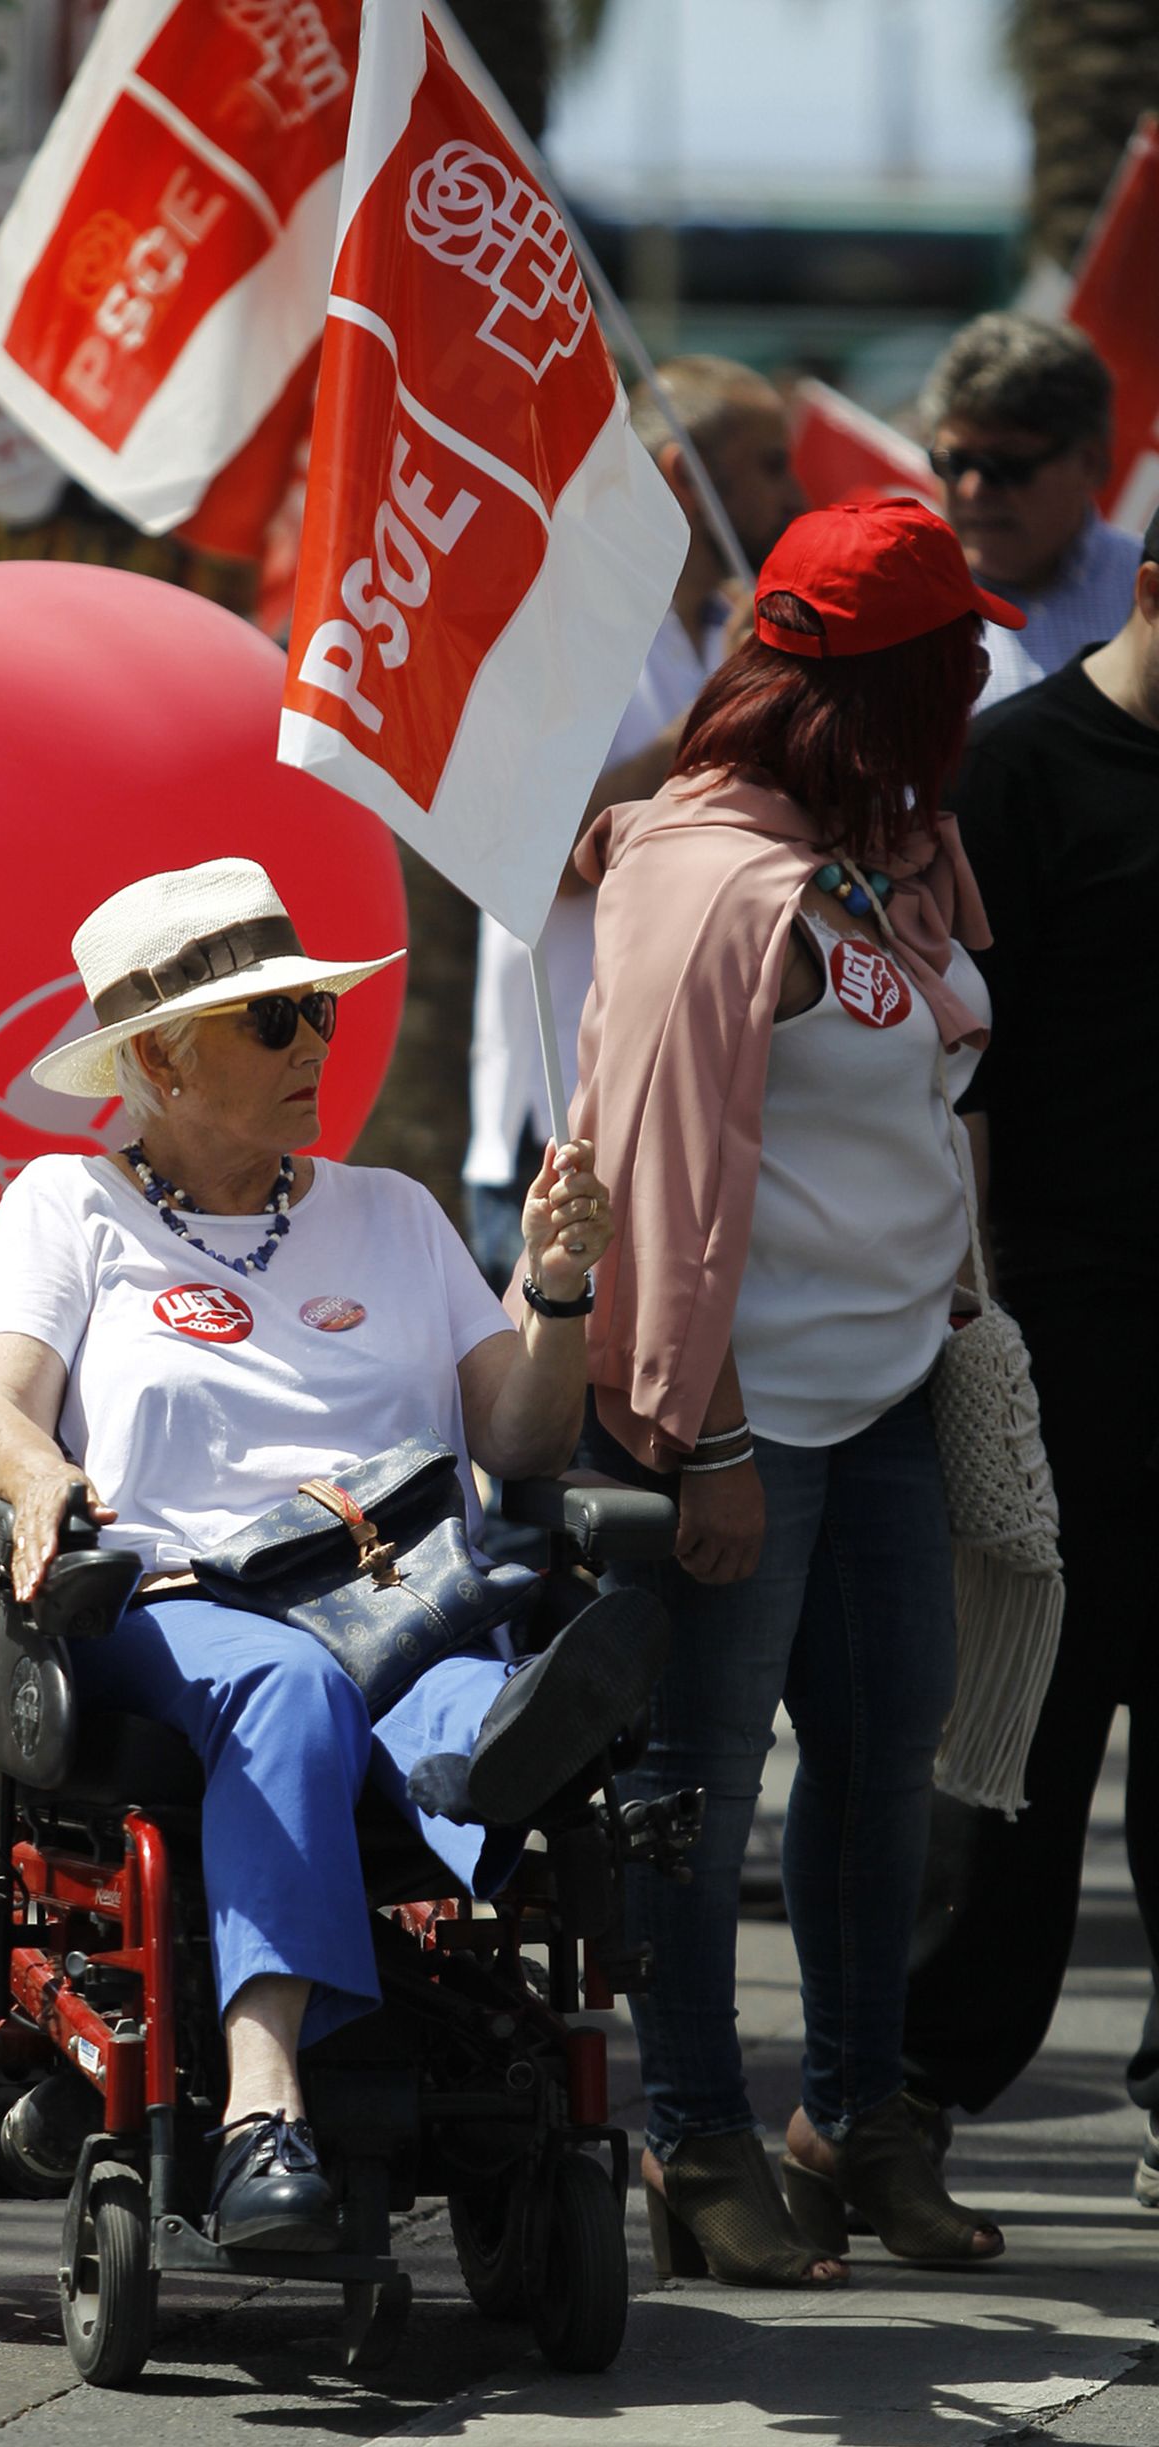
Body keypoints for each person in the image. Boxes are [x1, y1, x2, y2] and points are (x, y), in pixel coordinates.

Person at [0, 856, 642, 2248]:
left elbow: (522, 1438)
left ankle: (498, 1740)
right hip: (176, 1594)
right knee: (291, 1686)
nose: (315, 1039)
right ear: (158, 1056)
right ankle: (266, 2102)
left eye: (315, 1008)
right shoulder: (68, 1210)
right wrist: (40, 1477)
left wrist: (557, 1288)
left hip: (395, 1590)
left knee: (459, 1683)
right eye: (273, 1021)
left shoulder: (390, 1210)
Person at [569, 499, 1018, 2287]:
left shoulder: (888, 847)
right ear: (896, 690)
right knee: (697, 1788)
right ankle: (693, 2137)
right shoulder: (705, 878)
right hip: (740, 1423)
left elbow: (930, 1087)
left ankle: (854, 2120)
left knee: (883, 1768)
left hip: (893, 1388)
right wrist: (716, 1443)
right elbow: (668, 1193)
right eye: (954, 672)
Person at [902, 506, 1159, 2209]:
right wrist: (970, 1321)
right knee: (1020, 1748)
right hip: (1065, 1338)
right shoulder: (1017, 771)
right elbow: (954, 1086)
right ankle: (908, 2091)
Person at [463, 358, 804, 1290]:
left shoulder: (726, 626)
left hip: (702, 1113)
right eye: (770, 465)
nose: (796, 492)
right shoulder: (555, 620)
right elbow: (543, 854)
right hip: (564, 1134)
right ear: (685, 475)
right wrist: (724, 704)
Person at [921, 314, 1142, 713]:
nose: (974, 490)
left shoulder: (1147, 598)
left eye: (1007, 466)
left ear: (1089, 462)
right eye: (953, 462)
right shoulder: (887, 599)